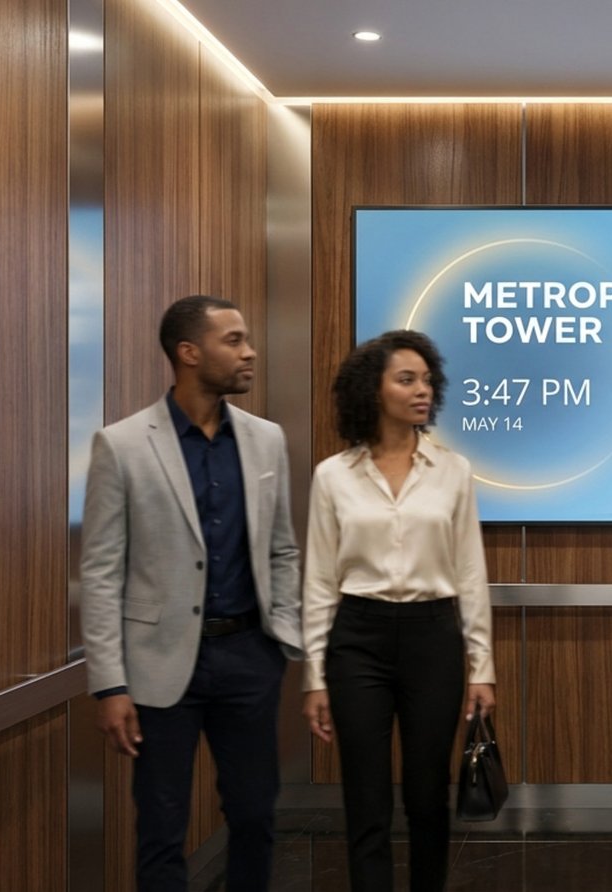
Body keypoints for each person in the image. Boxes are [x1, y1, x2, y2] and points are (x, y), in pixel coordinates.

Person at [80, 294, 302, 892]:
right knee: (162, 826)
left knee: (255, 817)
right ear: (188, 352)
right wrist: (110, 683)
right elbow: (101, 572)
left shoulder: (266, 441)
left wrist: (284, 632)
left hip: (249, 657)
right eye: (233, 340)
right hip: (157, 668)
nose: (249, 351)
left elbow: (282, 547)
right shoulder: (121, 445)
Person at [301, 330, 497, 892]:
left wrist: (481, 665)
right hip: (356, 637)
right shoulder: (332, 476)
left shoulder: (453, 470)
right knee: (364, 797)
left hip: (432, 637)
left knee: (427, 794)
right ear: (373, 389)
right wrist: (314, 677)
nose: (423, 391)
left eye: (428, 380)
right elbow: (319, 581)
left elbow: (470, 574)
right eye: (406, 379)